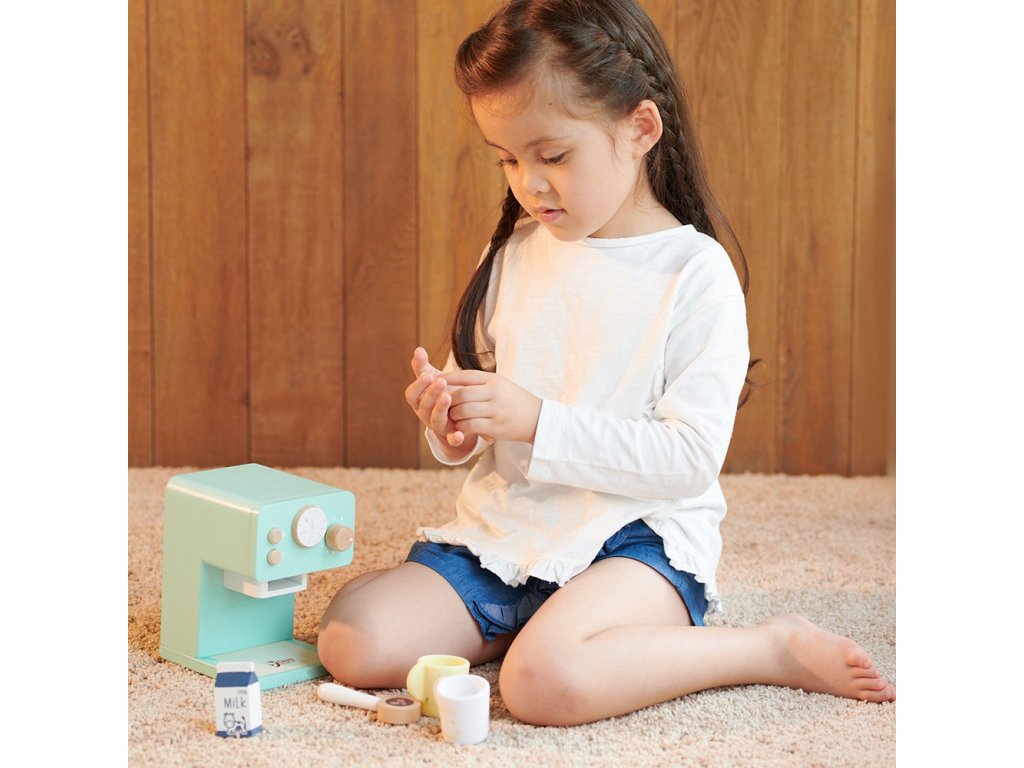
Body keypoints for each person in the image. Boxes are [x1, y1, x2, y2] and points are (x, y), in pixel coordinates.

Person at [318, 0, 895, 726]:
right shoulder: (514, 254)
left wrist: (536, 420)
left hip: (638, 539)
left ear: (640, 129)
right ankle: (545, 620)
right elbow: (497, 413)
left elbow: (689, 460)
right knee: (352, 640)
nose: (529, 184)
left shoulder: (694, 274)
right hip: (517, 530)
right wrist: (456, 425)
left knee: (541, 683)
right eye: (508, 159)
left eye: (553, 156)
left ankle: (765, 648)